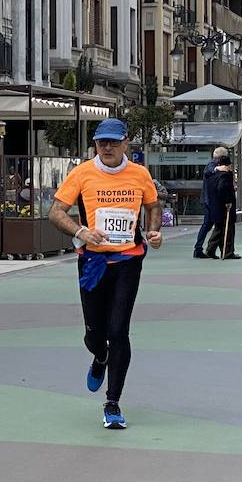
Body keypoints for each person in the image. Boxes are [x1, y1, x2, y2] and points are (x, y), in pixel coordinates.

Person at [47, 118, 162, 430]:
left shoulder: (139, 174)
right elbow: (55, 212)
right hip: (93, 263)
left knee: (118, 331)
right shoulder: (82, 173)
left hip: (128, 261)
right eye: (102, 143)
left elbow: (153, 206)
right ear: (95, 145)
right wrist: (81, 231)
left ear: (126, 143)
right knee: (95, 334)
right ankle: (100, 357)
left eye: (113, 142)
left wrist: (153, 231)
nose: (107, 147)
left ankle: (113, 402)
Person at [192, 145, 232, 259]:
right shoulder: (212, 165)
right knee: (209, 225)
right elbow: (208, 170)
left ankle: (203, 248)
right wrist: (217, 169)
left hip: (210, 200)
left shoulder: (216, 165)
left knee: (209, 225)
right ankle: (199, 249)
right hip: (210, 201)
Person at [203, 153, 239, 259]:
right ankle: (227, 252)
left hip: (215, 205)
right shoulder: (225, 175)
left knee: (218, 229)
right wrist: (228, 201)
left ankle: (211, 249)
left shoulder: (212, 175)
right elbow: (222, 188)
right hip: (224, 207)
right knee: (228, 230)